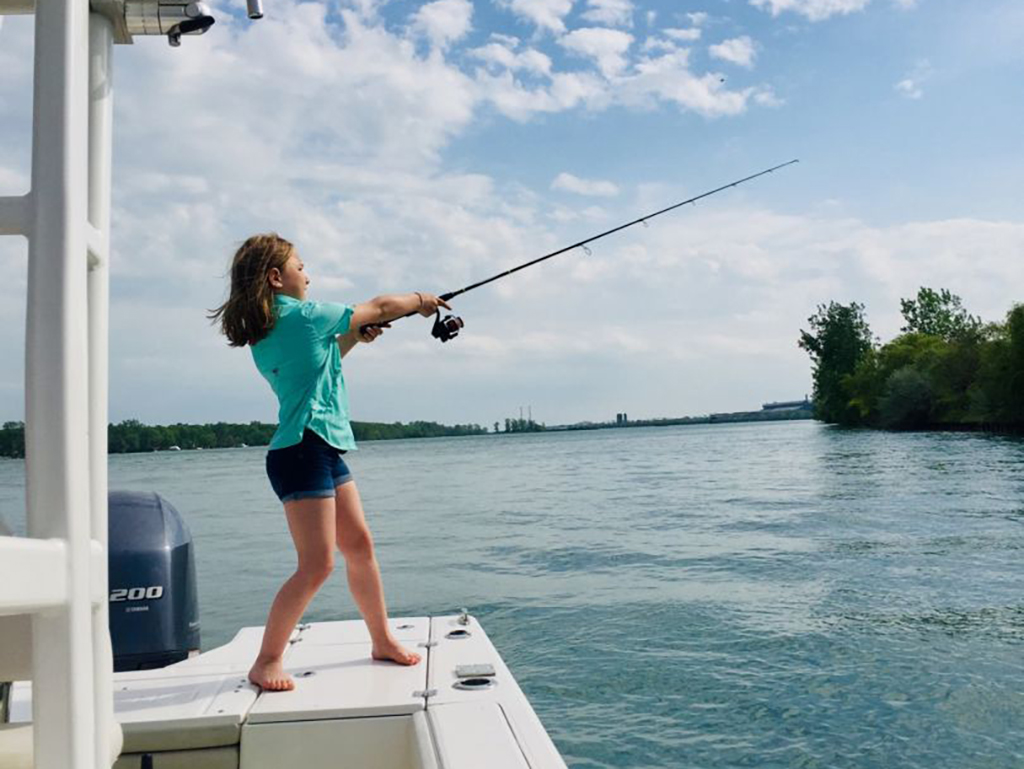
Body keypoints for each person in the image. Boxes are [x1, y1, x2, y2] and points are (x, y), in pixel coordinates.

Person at [209, 232, 450, 691]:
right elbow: (379, 306)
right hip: (302, 453)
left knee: (359, 546)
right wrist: (421, 300)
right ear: (277, 278)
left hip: (317, 447)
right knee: (316, 565)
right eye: (301, 265)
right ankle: (267, 661)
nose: (309, 274)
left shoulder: (278, 329)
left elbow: (323, 360)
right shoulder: (302, 317)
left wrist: (355, 338)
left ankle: (381, 640)